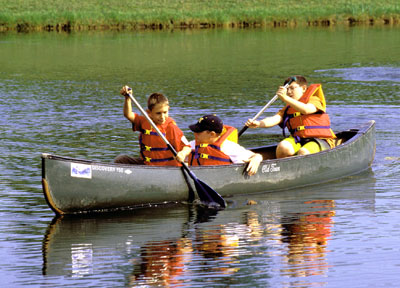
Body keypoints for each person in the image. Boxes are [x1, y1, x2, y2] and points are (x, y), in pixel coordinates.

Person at [245, 76, 336, 158]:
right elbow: (274, 119)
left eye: (292, 88)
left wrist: (285, 98)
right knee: (283, 147)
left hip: (319, 140)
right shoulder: (288, 109)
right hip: (298, 139)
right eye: (287, 89)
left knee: (303, 152)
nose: (289, 92)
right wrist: (258, 123)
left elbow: (306, 110)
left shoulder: (314, 100)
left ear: (303, 88)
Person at [115, 86, 191, 165]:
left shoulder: (172, 127)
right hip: (148, 164)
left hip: (167, 167)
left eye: (165, 112)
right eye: (158, 113)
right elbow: (128, 114)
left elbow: (187, 147)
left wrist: (182, 154)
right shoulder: (144, 122)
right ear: (149, 113)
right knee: (121, 159)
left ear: (168, 109)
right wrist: (127, 99)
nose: (162, 117)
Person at [187, 114, 263, 176]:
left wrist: (256, 159)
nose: (194, 134)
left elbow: (256, 155)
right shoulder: (194, 144)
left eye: (198, 132)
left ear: (212, 134)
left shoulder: (228, 147)